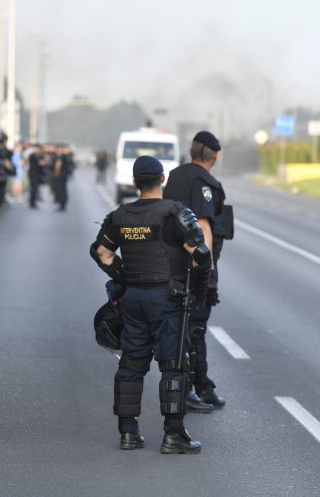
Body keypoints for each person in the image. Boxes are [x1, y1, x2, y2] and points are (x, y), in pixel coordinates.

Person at [90, 155, 212, 454]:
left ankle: (128, 433)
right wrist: (196, 290)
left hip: (133, 299)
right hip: (168, 300)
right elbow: (201, 254)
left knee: (131, 364)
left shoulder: (120, 215)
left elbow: (101, 253)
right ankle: (174, 435)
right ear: (163, 179)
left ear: (134, 182)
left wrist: (125, 277)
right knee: (173, 365)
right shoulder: (175, 213)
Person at [163, 131, 233, 412]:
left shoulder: (175, 176)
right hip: (194, 267)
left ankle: (199, 384)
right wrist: (209, 271)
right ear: (214, 156)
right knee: (195, 328)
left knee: (184, 327)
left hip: (171, 266)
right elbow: (202, 226)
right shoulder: (204, 182)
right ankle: (192, 389)